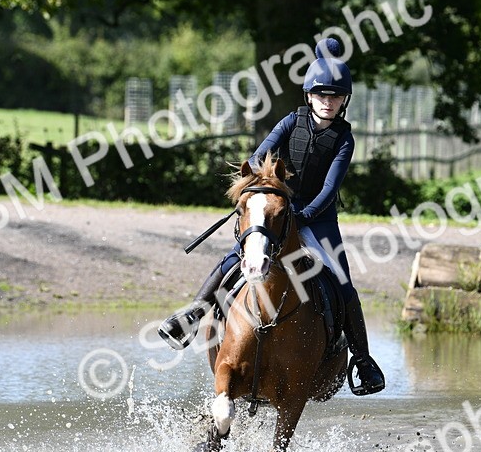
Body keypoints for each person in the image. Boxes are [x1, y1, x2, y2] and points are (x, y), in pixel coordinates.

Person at [158, 37, 385, 396]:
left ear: (344, 101)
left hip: (319, 220)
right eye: (321, 95)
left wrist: (302, 216)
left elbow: (330, 188)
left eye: (335, 96)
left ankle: (362, 360)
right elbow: (258, 156)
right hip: (277, 210)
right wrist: (263, 189)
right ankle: (193, 315)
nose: (328, 102)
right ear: (309, 95)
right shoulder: (291, 121)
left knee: (343, 285)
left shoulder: (344, 139)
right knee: (232, 260)